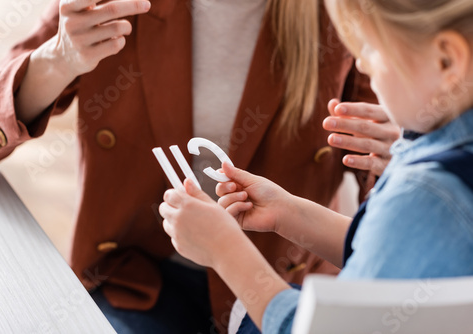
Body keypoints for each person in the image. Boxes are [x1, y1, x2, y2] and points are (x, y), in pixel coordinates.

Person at [0, 0, 398, 333]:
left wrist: (399, 156)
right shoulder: (110, 4)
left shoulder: (342, 15)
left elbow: (388, 212)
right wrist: (57, 60)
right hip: (134, 280)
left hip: (281, 280)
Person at [159, 0, 473, 333]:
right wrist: (289, 213)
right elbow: (396, 253)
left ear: (446, 60)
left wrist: (225, 252)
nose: (363, 65)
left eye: (371, 47)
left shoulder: (423, 195)